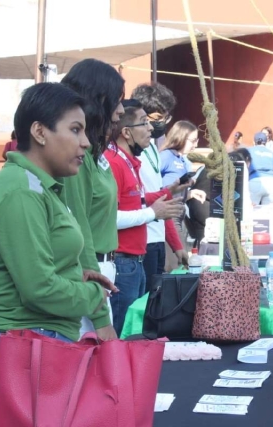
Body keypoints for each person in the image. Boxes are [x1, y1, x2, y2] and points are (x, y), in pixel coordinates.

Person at [0, 83, 118, 426]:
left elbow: (40, 263)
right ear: (39, 132)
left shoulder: (45, 185)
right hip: (21, 348)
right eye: (75, 130)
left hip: (37, 345)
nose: (86, 142)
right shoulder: (22, 190)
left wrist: (75, 275)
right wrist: (93, 293)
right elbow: (38, 288)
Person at [105, 105, 184, 335]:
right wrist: (153, 213)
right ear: (127, 132)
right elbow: (110, 217)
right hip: (122, 262)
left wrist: (168, 191)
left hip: (134, 262)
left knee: (135, 331)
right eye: (144, 122)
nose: (151, 128)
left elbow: (137, 200)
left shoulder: (129, 161)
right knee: (121, 333)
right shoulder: (113, 162)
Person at [61, 58, 124, 340]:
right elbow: (78, 224)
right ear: (99, 98)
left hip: (103, 266)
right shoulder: (80, 157)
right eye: (117, 101)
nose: (121, 110)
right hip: (91, 270)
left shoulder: (96, 154)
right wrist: (99, 313)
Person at [131, 83, 188, 289]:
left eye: (165, 117)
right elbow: (138, 199)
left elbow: (163, 207)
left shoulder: (153, 149)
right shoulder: (131, 153)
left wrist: (177, 246)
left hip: (156, 241)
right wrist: (168, 192)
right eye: (156, 119)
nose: (160, 124)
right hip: (140, 242)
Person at [159, 120, 205, 271]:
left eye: (196, 140)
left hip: (181, 215)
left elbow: (178, 189)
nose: (195, 145)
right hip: (169, 215)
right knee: (175, 264)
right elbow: (153, 184)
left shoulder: (184, 160)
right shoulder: (165, 157)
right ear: (180, 137)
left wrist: (190, 193)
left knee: (180, 262)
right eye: (192, 141)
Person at [247, 132, 273, 205]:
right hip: (272, 183)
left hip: (255, 181)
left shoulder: (249, 151)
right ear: (266, 142)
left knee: (252, 210)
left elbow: (245, 168)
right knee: (268, 213)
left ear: (254, 142)